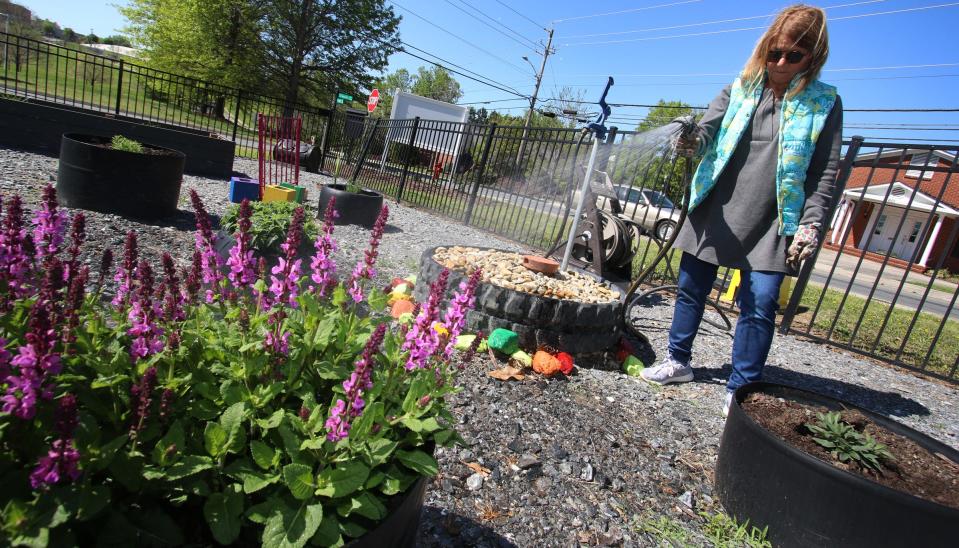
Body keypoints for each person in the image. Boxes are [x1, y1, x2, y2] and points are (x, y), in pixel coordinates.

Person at [639, 4, 843, 417]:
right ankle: (678, 361)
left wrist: (810, 225)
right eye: (774, 53)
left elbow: (824, 173)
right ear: (764, 49)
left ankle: (742, 384)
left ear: (814, 57)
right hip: (718, 204)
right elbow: (707, 131)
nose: (781, 63)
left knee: (762, 301)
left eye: (794, 56)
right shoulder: (741, 88)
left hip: (775, 217)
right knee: (692, 288)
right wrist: (691, 137)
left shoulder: (824, 104)